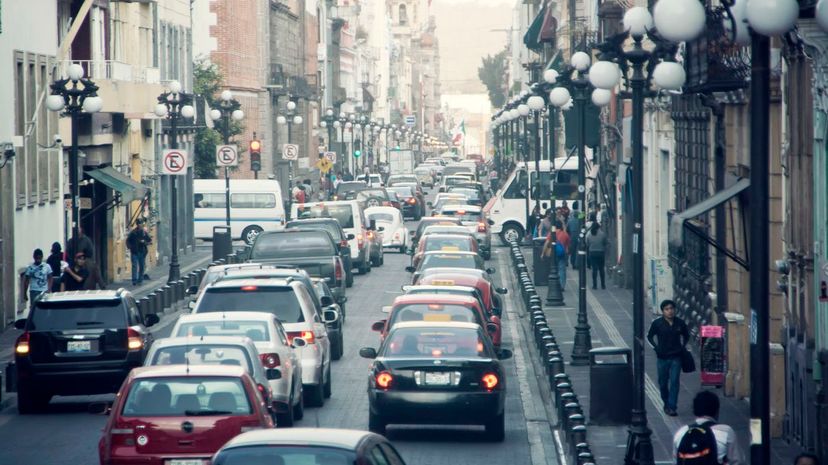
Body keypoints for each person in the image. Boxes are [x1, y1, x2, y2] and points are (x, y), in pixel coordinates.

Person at [673, 391, 745, 465]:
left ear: (694, 410)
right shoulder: (726, 431)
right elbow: (737, 461)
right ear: (717, 411)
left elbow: (676, 461)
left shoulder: (681, 432)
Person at [648, 299, 690, 416]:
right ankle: (666, 402)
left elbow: (686, 336)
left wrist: (682, 347)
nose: (670, 311)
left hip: (676, 357)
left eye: (671, 308)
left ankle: (672, 406)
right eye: (667, 309)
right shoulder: (657, 323)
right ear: (663, 311)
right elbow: (649, 337)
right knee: (662, 382)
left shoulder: (680, 323)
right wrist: (656, 348)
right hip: (662, 358)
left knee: (675, 381)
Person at [127, 219, 152, 286]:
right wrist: (130, 247)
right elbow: (128, 240)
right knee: (134, 266)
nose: (139, 225)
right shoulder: (133, 232)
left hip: (142, 252)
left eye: (140, 223)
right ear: (137, 224)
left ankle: (140, 280)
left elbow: (150, 241)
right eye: (138, 223)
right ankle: (134, 280)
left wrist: (145, 242)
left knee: (141, 266)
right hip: (134, 251)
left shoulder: (144, 232)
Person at [585, 221, 608, 289]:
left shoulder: (589, 234)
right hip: (601, 253)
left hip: (592, 253)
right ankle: (603, 284)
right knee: (601, 269)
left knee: (594, 269)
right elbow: (605, 243)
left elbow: (587, 244)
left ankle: (594, 285)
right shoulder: (602, 234)